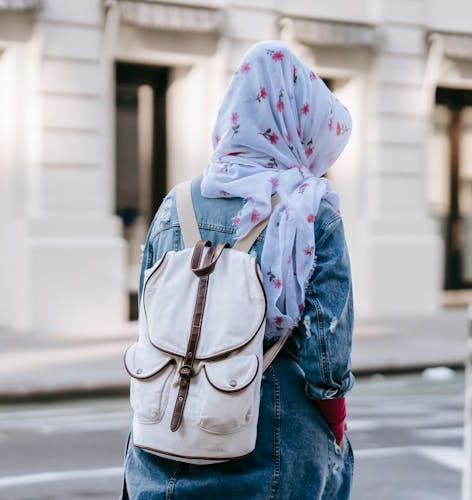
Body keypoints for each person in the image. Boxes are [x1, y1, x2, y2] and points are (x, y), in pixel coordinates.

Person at [123, 40, 355, 499]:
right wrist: (336, 423)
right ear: (299, 124)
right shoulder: (311, 211)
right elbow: (325, 354)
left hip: (162, 436)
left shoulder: (177, 203)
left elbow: (149, 313)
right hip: (266, 438)